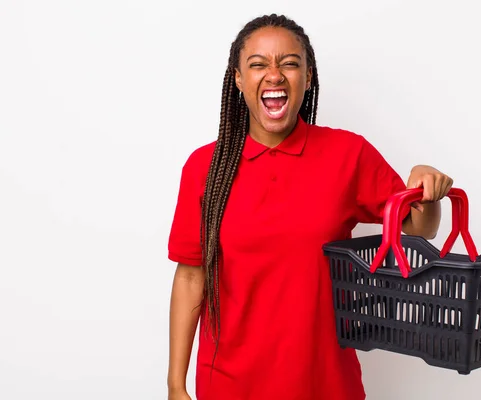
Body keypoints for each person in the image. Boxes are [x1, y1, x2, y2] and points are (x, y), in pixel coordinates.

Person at [166, 13, 453, 400]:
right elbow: (190, 278)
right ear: (237, 78)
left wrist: (425, 188)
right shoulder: (205, 167)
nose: (274, 75)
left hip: (326, 385)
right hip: (229, 386)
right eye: (257, 64)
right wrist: (175, 385)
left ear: (308, 75)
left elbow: (420, 227)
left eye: (289, 63)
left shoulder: (347, 155)